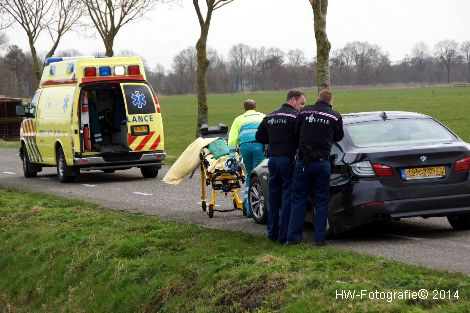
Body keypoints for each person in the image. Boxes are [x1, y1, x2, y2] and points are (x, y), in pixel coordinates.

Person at [287, 89, 344, 246]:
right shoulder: (335, 116)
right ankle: (320, 239)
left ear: (318, 99)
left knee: (298, 199)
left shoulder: (304, 112)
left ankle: (294, 237)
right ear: (331, 101)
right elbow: (339, 136)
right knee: (321, 201)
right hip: (322, 163)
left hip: (303, 162)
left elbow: (295, 132)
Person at [256, 90, 305, 244]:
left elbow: (259, 136)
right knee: (287, 199)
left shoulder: (269, 116)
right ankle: (283, 236)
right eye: (301, 103)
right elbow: (300, 137)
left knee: (273, 197)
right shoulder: (295, 117)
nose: (302, 107)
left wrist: (272, 141)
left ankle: (271, 233)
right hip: (287, 160)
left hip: (273, 161)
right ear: (293, 100)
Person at [228, 99, 265, 217]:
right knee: (259, 175)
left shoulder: (238, 119)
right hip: (259, 145)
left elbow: (233, 139)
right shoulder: (262, 116)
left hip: (244, 147)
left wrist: (232, 157)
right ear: (255, 107)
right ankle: (259, 208)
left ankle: (248, 208)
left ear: (244, 108)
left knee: (250, 174)